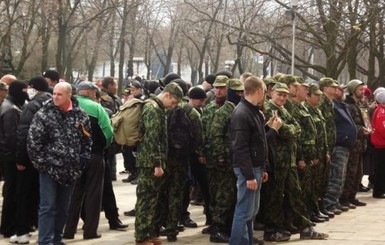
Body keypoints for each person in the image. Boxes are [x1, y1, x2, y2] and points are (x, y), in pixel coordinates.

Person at [27, 82, 92, 245]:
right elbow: (33, 143)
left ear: (69, 95)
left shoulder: (80, 115)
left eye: (59, 94)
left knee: (64, 208)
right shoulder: (44, 114)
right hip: (49, 169)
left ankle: (57, 238)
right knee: (47, 207)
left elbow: (87, 140)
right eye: (54, 93)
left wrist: (81, 161)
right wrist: (43, 165)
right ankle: (45, 241)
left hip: (71, 170)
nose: (55, 97)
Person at [229, 76, 280, 245]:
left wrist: (263, 168)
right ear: (258, 91)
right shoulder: (242, 113)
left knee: (251, 211)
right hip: (248, 169)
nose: (265, 96)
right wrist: (249, 175)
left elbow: (258, 140)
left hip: (255, 167)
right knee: (244, 211)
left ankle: (247, 241)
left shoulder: (253, 111)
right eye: (265, 92)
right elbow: (241, 148)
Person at [134, 82, 183, 245]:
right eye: (173, 102)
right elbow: (153, 139)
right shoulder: (153, 109)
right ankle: (141, 237)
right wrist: (157, 164)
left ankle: (149, 234)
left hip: (152, 161)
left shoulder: (158, 108)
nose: (173, 106)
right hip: (149, 162)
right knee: (146, 200)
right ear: (167, 95)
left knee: (153, 200)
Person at [64, 81, 113, 240]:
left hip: (73, 156)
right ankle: (90, 231)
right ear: (91, 92)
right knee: (93, 193)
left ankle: (68, 230)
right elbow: (108, 133)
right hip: (94, 155)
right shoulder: (97, 108)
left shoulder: (67, 105)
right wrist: (103, 147)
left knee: (74, 193)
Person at [11, 77, 51, 244]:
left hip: (30, 158)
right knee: (44, 196)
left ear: (35, 88)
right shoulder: (54, 103)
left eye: (30, 87)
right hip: (49, 158)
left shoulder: (32, 106)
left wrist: (20, 159)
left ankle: (22, 231)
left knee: (24, 194)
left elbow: (24, 134)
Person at [323, 83, 358, 214]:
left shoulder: (342, 105)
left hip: (346, 146)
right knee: (336, 176)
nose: (341, 91)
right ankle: (329, 203)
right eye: (337, 88)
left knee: (341, 177)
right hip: (338, 145)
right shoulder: (331, 106)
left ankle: (335, 201)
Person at [0, 81, 28, 238]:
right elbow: (12, 137)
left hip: (8, 155)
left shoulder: (10, 106)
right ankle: (8, 226)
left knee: (11, 191)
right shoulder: (11, 109)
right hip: (11, 157)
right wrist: (19, 157)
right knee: (12, 192)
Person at [340, 80, 370, 207]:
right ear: (353, 91)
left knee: (358, 173)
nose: (363, 92)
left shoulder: (358, 105)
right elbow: (348, 124)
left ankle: (352, 196)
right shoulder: (348, 106)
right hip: (352, 144)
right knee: (350, 173)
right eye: (360, 90)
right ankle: (344, 198)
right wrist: (360, 129)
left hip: (360, 145)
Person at [370, 91, 385, 198]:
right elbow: (382, 128)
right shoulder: (381, 111)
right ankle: (379, 191)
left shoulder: (380, 110)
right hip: (381, 144)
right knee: (380, 169)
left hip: (380, 143)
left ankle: (380, 190)